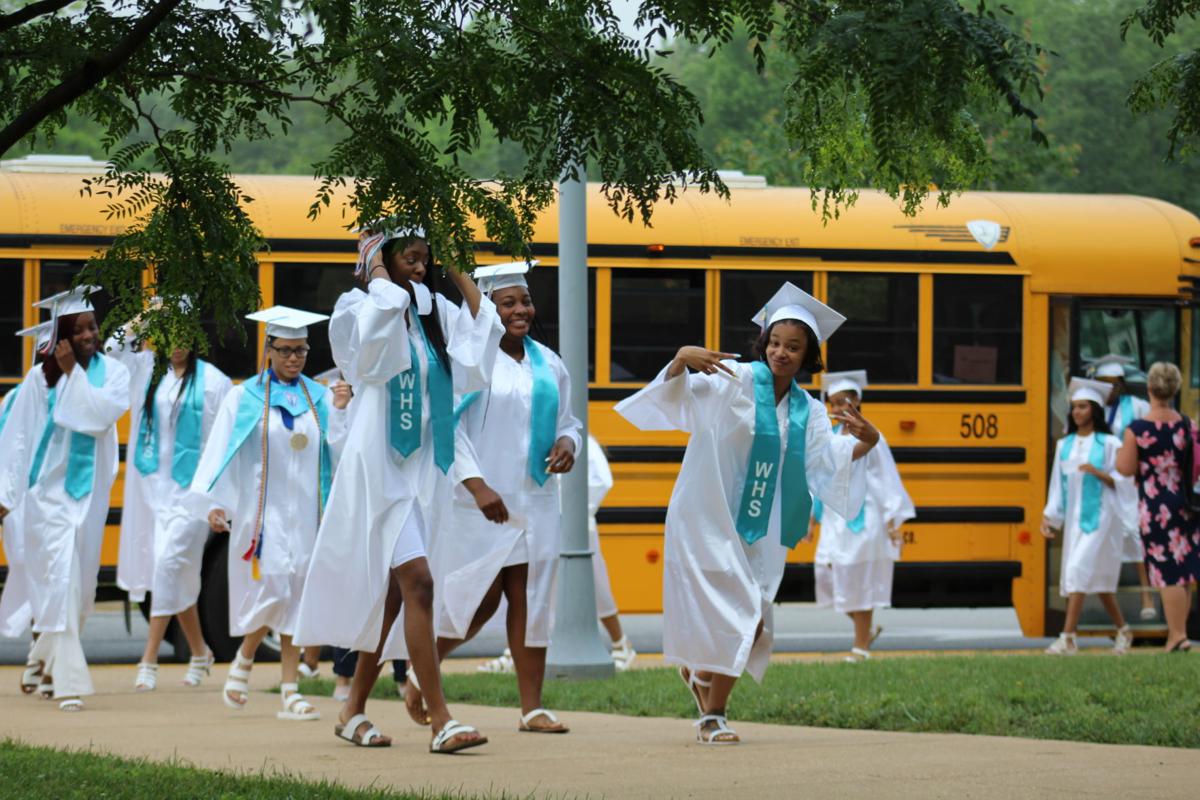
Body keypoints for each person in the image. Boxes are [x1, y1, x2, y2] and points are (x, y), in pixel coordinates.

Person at [614, 281, 877, 745]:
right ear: (764, 343)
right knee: (716, 610)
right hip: (706, 515)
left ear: (807, 356)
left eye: (793, 348)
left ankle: (712, 703)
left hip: (762, 529)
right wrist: (680, 359)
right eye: (775, 343)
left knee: (753, 618)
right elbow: (676, 401)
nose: (781, 353)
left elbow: (825, 460)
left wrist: (866, 442)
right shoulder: (733, 380)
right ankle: (708, 701)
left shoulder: (809, 411)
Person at [294, 227, 502, 753]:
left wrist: (455, 268)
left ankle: (352, 708)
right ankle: (441, 720)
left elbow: (483, 338)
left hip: (421, 472)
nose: (419, 261)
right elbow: (369, 361)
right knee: (419, 583)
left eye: (423, 255)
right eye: (405, 253)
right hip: (378, 469)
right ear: (380, 260)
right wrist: (379, 272)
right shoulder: (356, 306)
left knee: (396, 596)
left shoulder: (436, 317)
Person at [428, 261, 581, 734]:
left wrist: (567, 445)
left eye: (525, 301)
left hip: (534, 499)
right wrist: (476, 485)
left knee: (531, 600)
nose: (521, 311)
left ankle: (531, 707)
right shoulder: (470, 361)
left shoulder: (549, 364)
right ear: (488, 310)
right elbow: (446, 425)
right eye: (508, 303)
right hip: (481, 502)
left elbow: (569, 423)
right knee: (479, 597)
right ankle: (421, 668)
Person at [188, 305, 349, 721]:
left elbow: (339, 450)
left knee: (297, 596)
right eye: (286, 350)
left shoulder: (320, 397)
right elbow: (221, 448)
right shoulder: (245, 397)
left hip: (308, 512)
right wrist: (215, 502)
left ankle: (289, 688)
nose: (294, 358)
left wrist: (344, 411)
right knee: (274, 591)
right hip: (263, 513)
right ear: (269, 350)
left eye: (301, 350)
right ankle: (244, 660)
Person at [0, 286, 131, 711]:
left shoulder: (113, 374)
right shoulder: (38, 381)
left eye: (94, 325)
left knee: (82, 589)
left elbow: (97, 417)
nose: (92, 334)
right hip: (47, 496)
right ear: (63, 336)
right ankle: (69, 683)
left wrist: (74, 372)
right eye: (82, 328)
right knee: (59, 577)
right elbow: (18, 439)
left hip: (90, 495)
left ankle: (41, 658)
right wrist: (7, 495)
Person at [108, 307, 233, 690]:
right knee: (176, 572)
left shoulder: (215, 382)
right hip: (152, 490)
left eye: (183, 335)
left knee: (167, 564)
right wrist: (150, 314)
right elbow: (112, 349)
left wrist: (217, 501)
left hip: (193, 495)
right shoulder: (146, 369)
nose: (175, 344)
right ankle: (200, 651)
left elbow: (222, 446)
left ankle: (148, 659)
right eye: (168, 334)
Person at [806, 370, 914, 663]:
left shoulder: (872, 436)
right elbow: (818, 479)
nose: (839, 408)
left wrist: (893, 524)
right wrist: (812, 519)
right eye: (834, 402)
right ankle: (865, 632)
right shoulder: (829, 437)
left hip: (865, 519)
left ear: (857, 402)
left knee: (860, 582)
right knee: (833, 579)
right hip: (834, 520)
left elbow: (886, 480)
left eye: (844, 401)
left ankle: (860, 647)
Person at [1041, 377, 1132, 656]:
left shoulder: (1110, 443)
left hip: (1104, 517)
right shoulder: (1064, 445)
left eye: (1083, 407)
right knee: (1097, 583)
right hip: (1075, 519)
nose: (1077, 412)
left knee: (1077, 570)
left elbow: (1124, 481)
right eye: (1075, 407)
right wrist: (1049, 519)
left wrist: (1098, 472)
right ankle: (1123, 630)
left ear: (1094, 409)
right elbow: (1058, 485)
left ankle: (1068, 637)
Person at [1116, 362, 1200, 652]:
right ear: (1175, 389)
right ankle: (1179, 632)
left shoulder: (1138, 429)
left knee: (1168, 572)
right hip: (1186, 503)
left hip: (1156, 507)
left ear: (1150, 388)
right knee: (1184, 571)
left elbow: (1125, 468)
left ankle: (1177, 634)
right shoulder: (1188, 426)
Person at [0, 322, 53, 694]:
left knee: (53, 577)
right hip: (20, 502)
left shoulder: (67, 397)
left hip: (54, 499)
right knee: (35, 574)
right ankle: (40, 655)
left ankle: (44, 661)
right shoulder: (16, 398)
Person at [1090, 353, 1156, 619]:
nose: (1111, 389)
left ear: (1122, 384)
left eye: (1115, 383)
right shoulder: (1091, 408)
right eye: (1104, 384)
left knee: (1136, 537)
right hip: (1098, 481)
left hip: (1127, 482)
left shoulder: (1137, 406)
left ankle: (1146, 596)